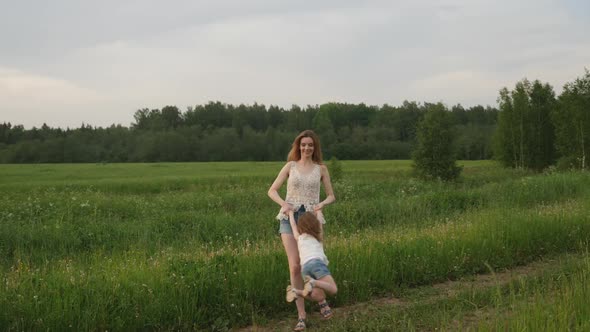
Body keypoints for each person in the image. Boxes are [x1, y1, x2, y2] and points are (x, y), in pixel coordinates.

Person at [267, 130, 336, 331]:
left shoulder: (321, 169)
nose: (307, 148)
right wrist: (284, 204)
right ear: (298, 146)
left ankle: (321, 300)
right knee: (295, 266)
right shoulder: (290, 166)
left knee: (312, 262)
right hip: (289, 218)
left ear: (315, 148)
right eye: (303, 145)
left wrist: (321, 204)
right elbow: (271, 190)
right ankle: (302, 315)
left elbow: (332, 196)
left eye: (310, 145)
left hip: (311, 220)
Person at [285, 210, 337, 318]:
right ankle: (313, 282)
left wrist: (290, 214)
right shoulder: (318, 236)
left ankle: (295, 291)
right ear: (315, 225)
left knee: (318, 296)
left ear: (301, 226)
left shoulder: (299, 237)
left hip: (305, 268)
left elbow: (293, 225)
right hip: (317, 264)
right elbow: (320, 224)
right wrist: (319, 212)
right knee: (333, 288)